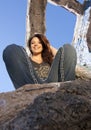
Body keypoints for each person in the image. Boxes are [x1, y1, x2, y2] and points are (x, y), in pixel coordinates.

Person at [3, 33, 77, 89]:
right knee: (11, 49)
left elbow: (63, 56)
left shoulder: (50, 61)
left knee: (68, 48)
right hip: (32, 84)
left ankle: (68, 89)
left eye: (39, 42)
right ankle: (34, 92)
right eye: (33, 43)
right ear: (30, 46)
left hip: (53, 84)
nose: (36, 44)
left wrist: (48, 46)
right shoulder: (25, 62)